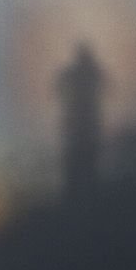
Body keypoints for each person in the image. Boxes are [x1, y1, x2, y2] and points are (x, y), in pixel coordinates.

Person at [54, 41, 107, 199]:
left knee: (85, 155)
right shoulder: (86, 71)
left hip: (84, 119)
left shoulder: (87, 71)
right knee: (79, 155)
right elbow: (59, 86)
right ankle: (79, 190)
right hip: (79, 119)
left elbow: (106, 85)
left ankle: (84, 190)